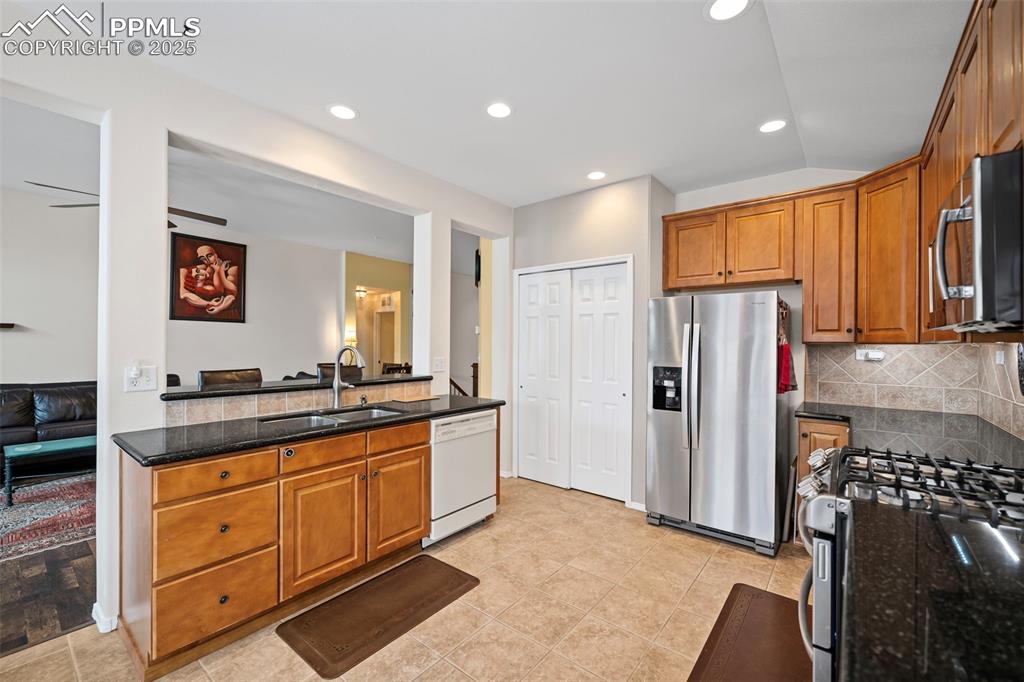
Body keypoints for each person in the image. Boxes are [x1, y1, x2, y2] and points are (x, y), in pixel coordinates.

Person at [179, 244, 239, 315]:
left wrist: (220, 272)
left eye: (210, 256)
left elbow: (232, 294)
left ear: (216, 255)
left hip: (224, 306)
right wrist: (208, 303)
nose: (207, 260)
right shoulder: (200, 269)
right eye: (203, 258)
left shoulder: (231, 270)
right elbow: (183, 294)